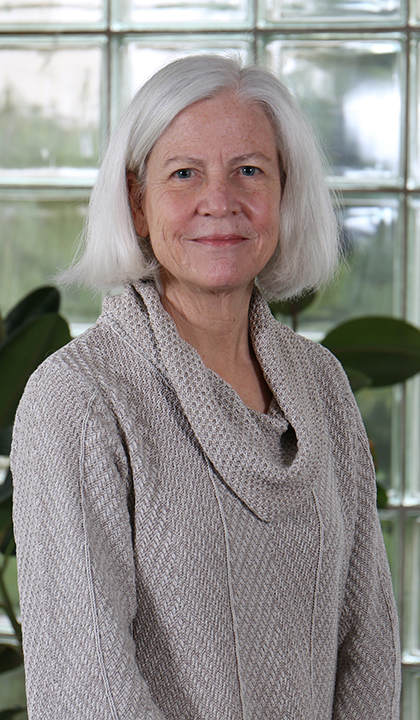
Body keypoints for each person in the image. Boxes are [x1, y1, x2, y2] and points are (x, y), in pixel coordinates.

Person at [11, 55, 401, 720]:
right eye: (184, 173)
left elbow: (367, 647)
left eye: (249, 171)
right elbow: (88, 685)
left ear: (283, 194)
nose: (219, 201)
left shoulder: (323, 386)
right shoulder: (77, 400)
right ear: (137, 204)